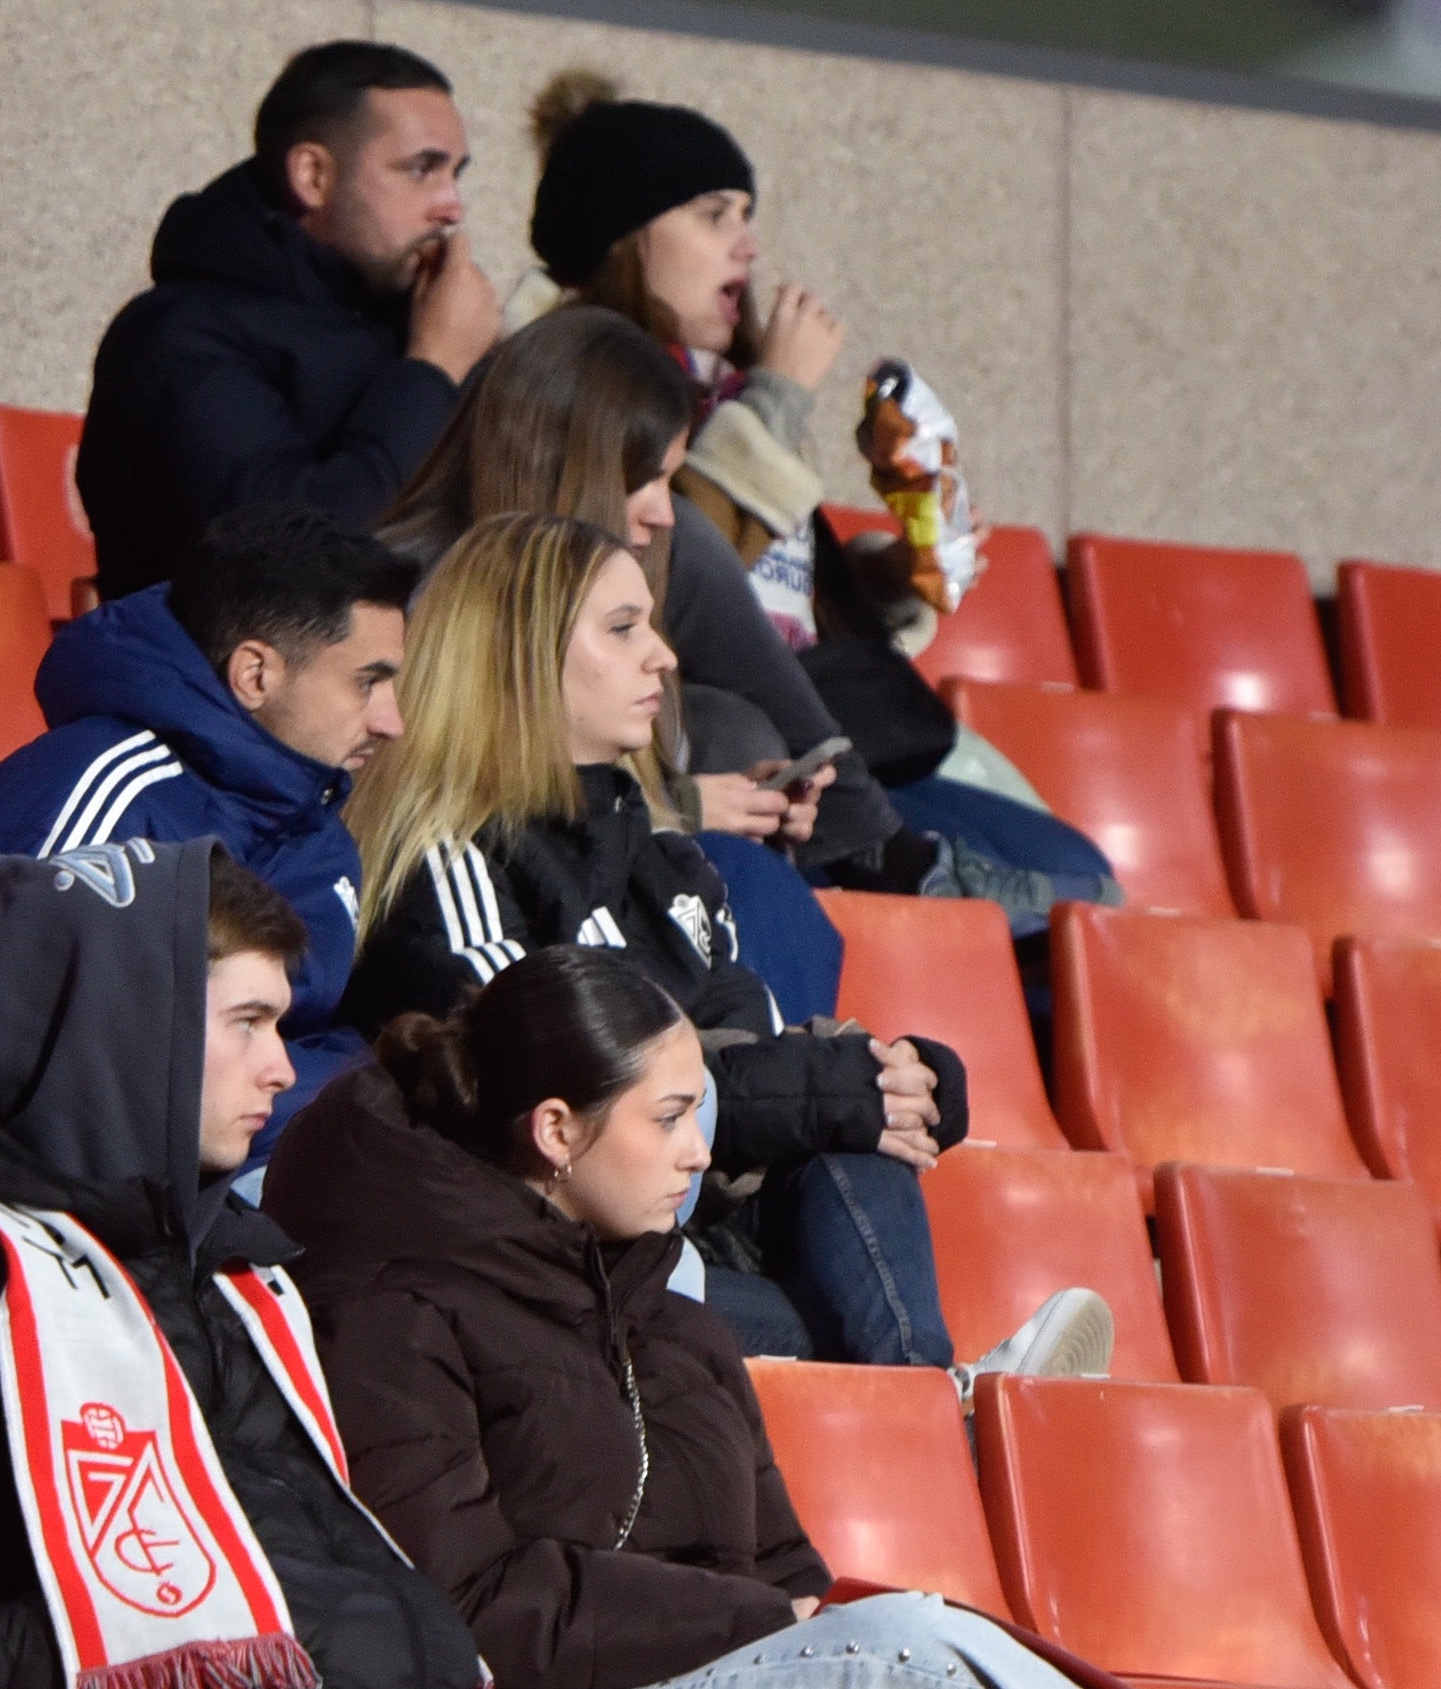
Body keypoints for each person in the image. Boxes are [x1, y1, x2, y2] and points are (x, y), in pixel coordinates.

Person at [271, 944, 1441, 1689]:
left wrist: (768, 1614)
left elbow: (789, 1560)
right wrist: (745, 1620)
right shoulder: (399, 1311)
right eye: (671, 1117)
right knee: (912, 1646)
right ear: (555, 1131)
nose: (702, 1152)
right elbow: (469, 1600)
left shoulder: (682, 1326)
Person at [0, 834, 887, 1689]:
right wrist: (204, 1629)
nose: (283, 1065)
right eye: (248, 1024)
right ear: (130, 1033)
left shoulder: (232, 1275)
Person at [334, 511, 1101, 1378]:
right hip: (543, 1259)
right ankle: (938, 1397)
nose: (663, 655)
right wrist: (827, 1085)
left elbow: (754, 1047)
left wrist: (903, 1082)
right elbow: (555, 1082)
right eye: (624, 630)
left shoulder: (665, 864)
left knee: (852, 1115)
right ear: (520, 658)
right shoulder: (451, 859)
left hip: (694, 1227)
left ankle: (929, 1398)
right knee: (831, 1135)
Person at [522, 74, 1115, 919]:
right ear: (624, 235)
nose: (748, 247)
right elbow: (661, 562)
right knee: (1020, 905)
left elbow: (771, 592)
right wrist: (779, 401)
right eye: (714, 215)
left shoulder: (724, 388)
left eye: (747, 217)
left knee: (1079, 875)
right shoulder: (562, 377)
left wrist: (888, 576)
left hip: (842, 728)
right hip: (711, 739)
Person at [370, 309, 847, 1022]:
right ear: (572, 469)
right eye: (645, 481)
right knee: (748, 883)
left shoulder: (657, 565)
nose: (664, 515)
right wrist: (683, 808)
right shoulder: (408, 599)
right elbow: (456, 794)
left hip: (641, 1016)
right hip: (571, 1045)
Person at [0, 505, 410, 1159]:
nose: (391, 722)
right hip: (99, 1215)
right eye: (368, 684)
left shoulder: (317, 827)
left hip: (256, 1184)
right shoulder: (96, 793)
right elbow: (8, 1083)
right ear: (257, 674)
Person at [79, 41, 502, 598]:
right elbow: (291, 561)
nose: (451, 205)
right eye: (420, 170)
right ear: (312, 176)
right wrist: (433, 371)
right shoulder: (177, 336)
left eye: (455, 173)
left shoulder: (409, 322)